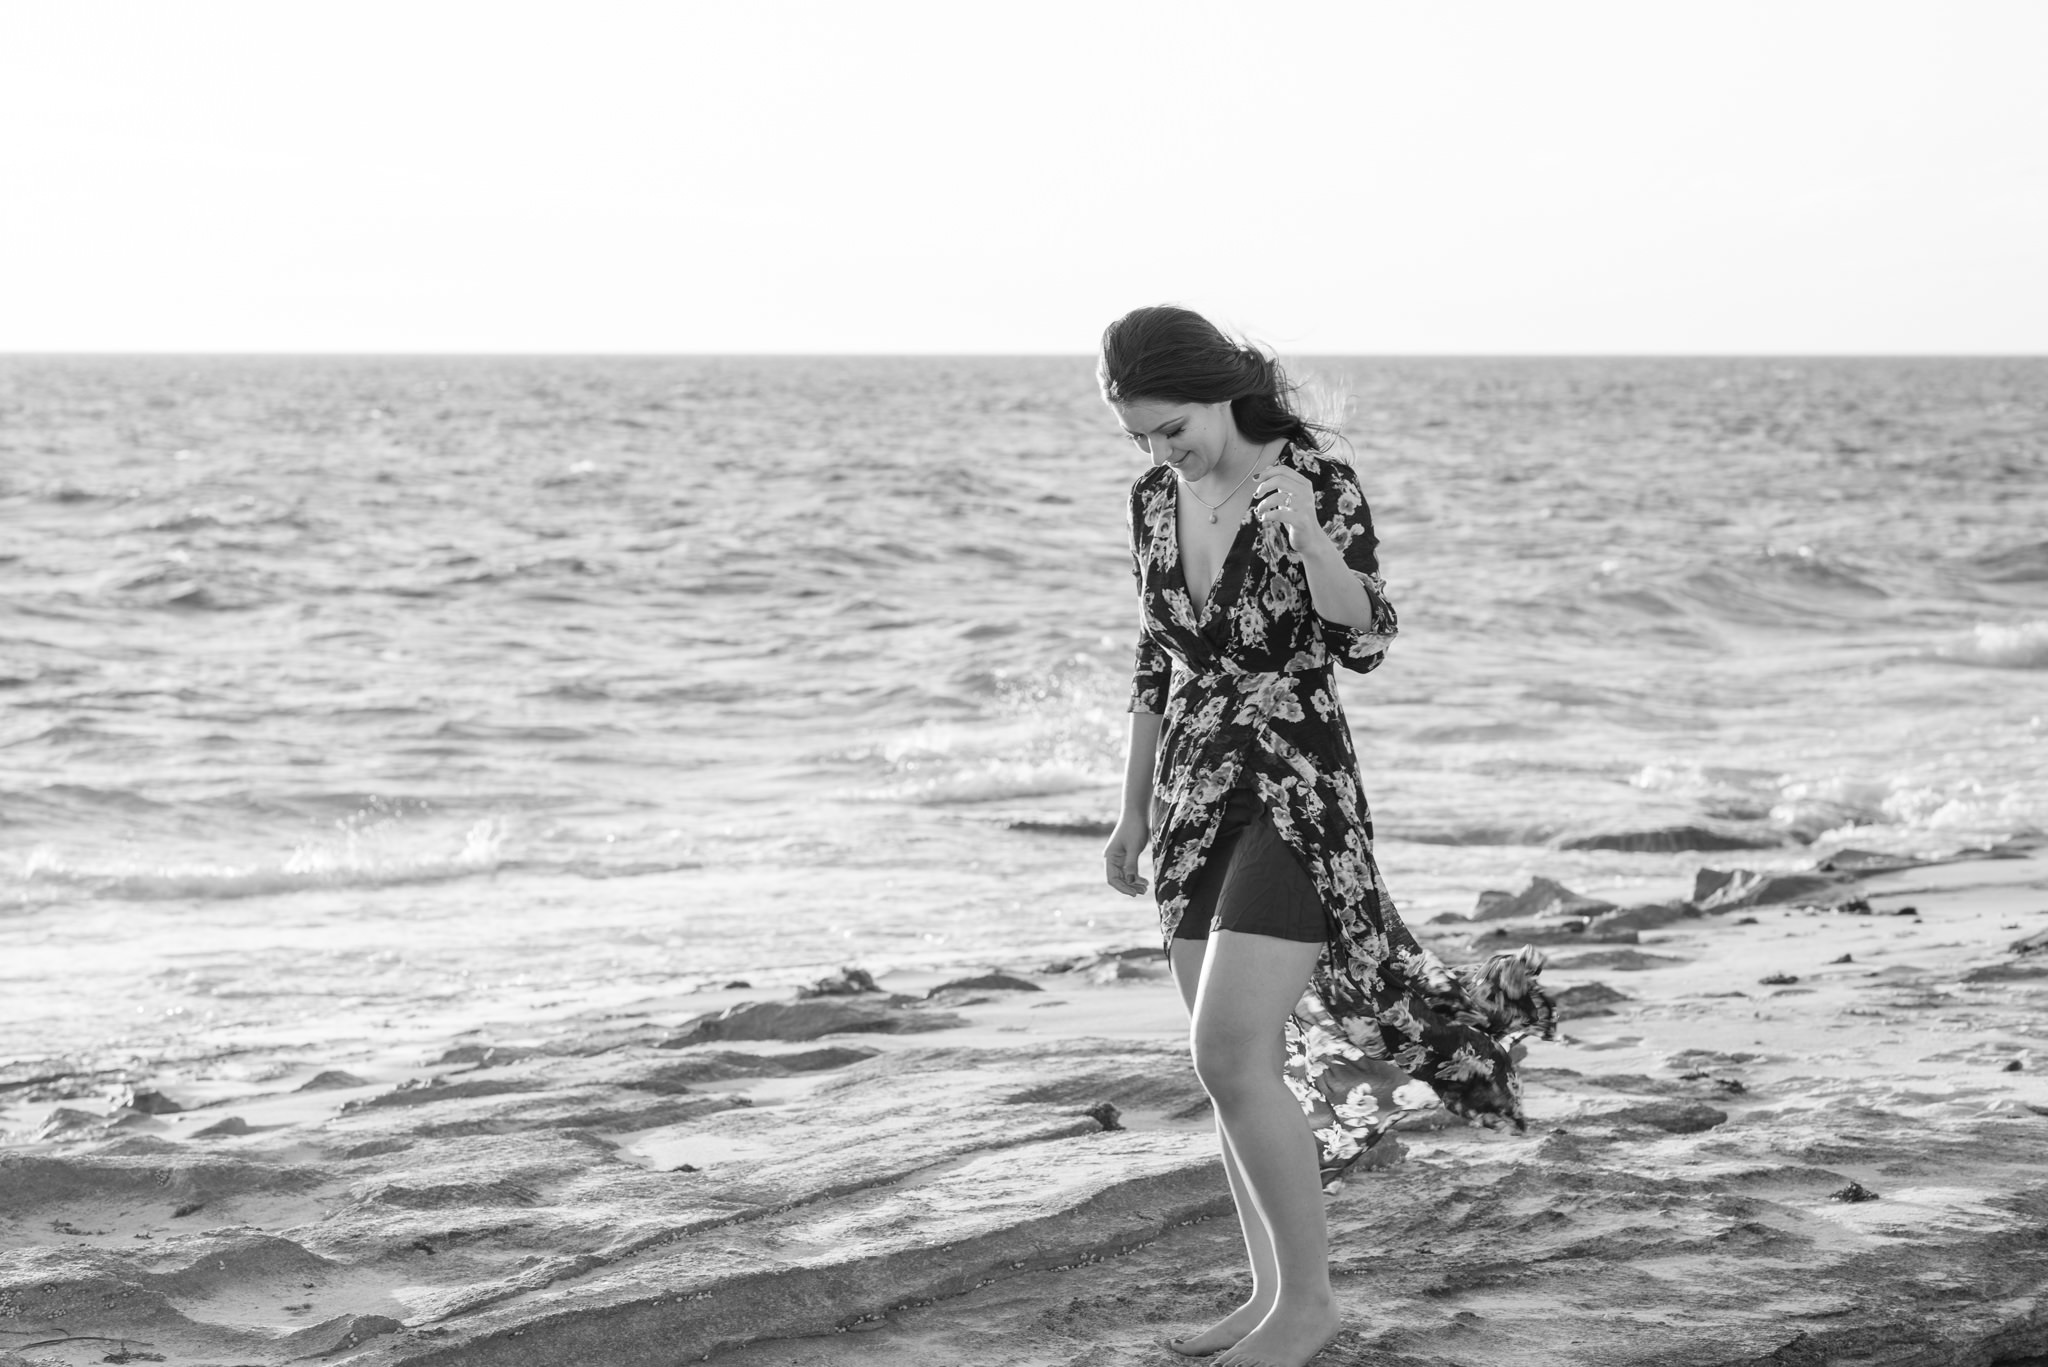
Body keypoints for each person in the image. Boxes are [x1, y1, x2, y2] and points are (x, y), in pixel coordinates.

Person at [1097, 305, 1553, 1367]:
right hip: (1193, 788)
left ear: (1214, 390)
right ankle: (1267, 1298)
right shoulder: (1151, 502)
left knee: (1224, 1049)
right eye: (1139, 438)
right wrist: (1127, 808)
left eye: (1172, 428)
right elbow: (1153, 659)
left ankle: (1308, 1304)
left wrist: (1303, 533)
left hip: (1298, 782)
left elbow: (1367, 634)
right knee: (1230, 1065)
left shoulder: (1312, 478)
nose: (1161, 452)